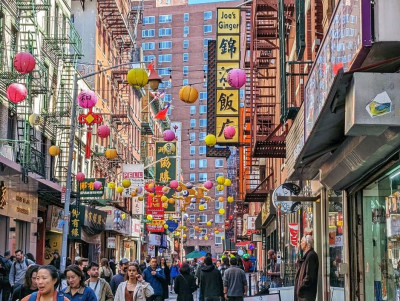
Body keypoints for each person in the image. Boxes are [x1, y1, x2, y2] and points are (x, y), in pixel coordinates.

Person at [294, 235, 319, 301]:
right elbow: (298, 268)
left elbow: (309, 276)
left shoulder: (311, 256)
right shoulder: (307, 256)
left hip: (306, 295)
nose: (300, 243)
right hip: (303, 295)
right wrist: (297, 252)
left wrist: (301, 288)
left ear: (307, 243)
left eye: (302, 241)